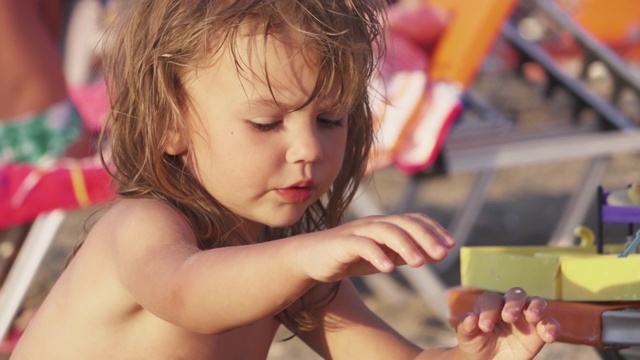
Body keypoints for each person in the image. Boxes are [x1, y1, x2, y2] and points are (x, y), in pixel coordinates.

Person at [11, 0, 560, 358]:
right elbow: (186, 292)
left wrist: (479, 355)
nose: (307, 148)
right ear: (168, 126)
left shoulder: (284, 257)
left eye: (330, 120)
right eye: (265, 123)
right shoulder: (141, 225)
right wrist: (307, 256)